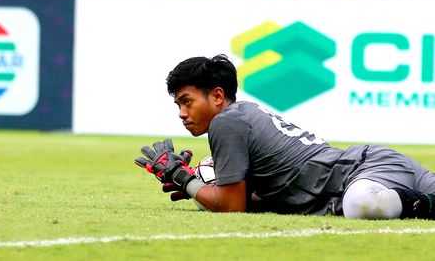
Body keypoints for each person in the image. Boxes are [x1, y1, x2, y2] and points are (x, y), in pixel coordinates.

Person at [135, 54, 435, 219]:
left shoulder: (226, 123)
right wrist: (197, 187)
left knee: (362, 206)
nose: (182, 113)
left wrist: (185, 180)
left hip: (366, 173)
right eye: (178, 105)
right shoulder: (241, 113)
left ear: (216, 96)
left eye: (187, 101)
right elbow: (252, 200)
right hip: (371, 167)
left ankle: (424, 205)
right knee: (360, 203)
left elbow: (230, 206)